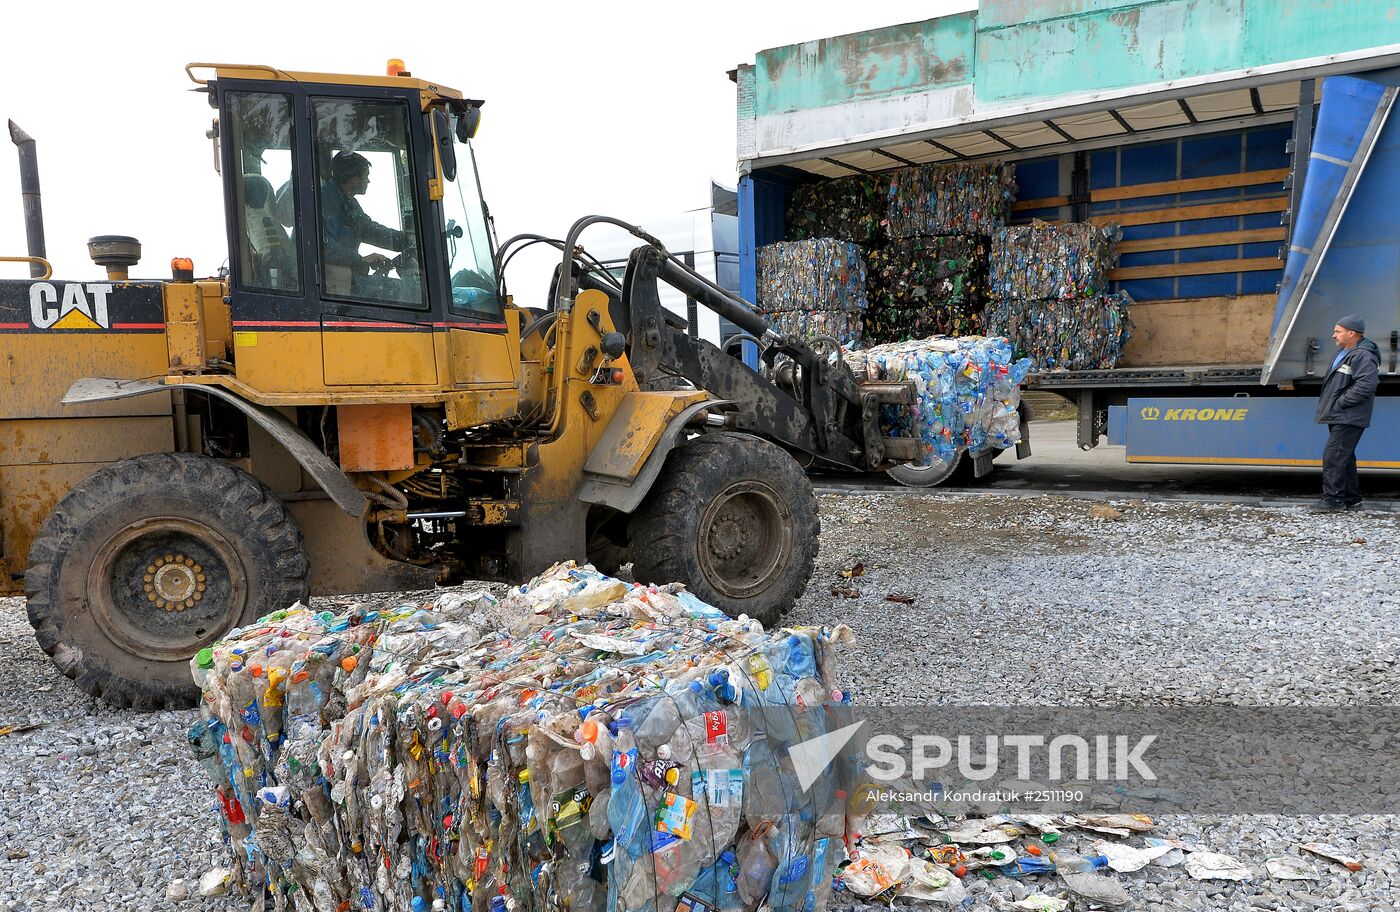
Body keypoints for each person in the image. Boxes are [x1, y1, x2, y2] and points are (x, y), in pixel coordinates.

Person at [1310, 313, 1380, 512]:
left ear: (1352, 333)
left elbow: (1367, 385)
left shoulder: (1363, 355)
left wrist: (1341, 403)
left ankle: (1333, 501)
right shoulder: (1345, 353)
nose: (1333, 335)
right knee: (1345, 457)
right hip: (1341, 414)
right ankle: (1352, 500)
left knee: (1333, 456)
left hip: (1349, 415)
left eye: (1337, 331)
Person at [320, 151, 407, 295]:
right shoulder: (326, 200)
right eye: (366, 176)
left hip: (346, 276)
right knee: (401, 291)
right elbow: (324, 246)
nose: (368, 181)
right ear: (354, 180)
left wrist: (404, 240)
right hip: (332, 282)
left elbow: (370, 230)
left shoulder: (348, 203)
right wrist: (359, 260)